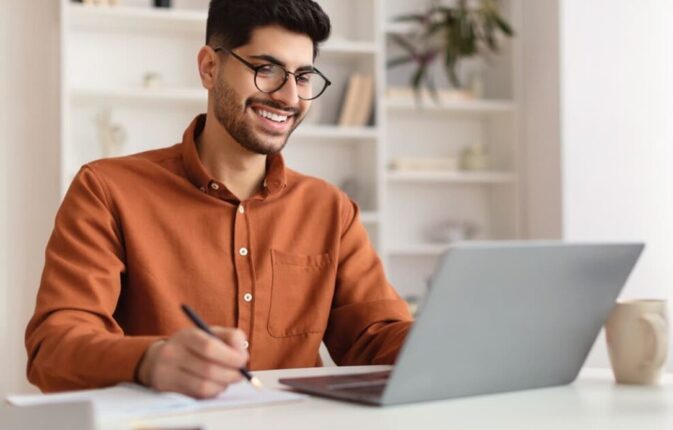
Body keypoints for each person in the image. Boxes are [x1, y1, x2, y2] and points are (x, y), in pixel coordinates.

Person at [25, 0, 413, 399]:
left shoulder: (331, 209)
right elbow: (52, 348)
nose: (288, 96)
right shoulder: (106, 190)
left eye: (304, 76)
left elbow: (375, 336)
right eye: (267, 70)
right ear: (209, 68)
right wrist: (150, 360)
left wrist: (457, 340)